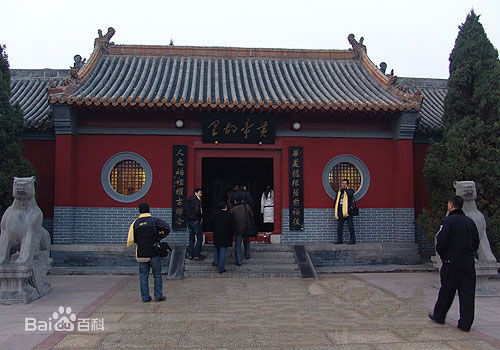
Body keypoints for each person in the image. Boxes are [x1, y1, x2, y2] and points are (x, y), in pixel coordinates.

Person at [429, 195, 480, 332]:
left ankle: (439, 315)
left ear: (451, 204)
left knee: (447, 290)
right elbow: (476, 243)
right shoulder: (470, 222)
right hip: (468, 263)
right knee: (467, 294)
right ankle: (466, 323)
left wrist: (445, 256)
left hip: (451, 262)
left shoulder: (448, 222)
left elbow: (441, 242)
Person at [127, 202, 170, 302]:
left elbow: (131, 240)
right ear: (149, 210)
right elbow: (167, 228)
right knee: (157, 275)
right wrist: (159, 237)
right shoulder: (154, 221)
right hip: (154, 252)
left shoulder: (135, 223)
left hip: (142, 254)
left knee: (143, 276)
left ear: (139, 210)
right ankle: (158, 296)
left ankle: (145, 297)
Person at [210, 201, 235, 273]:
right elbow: (232, 226)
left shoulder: (215, 215)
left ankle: (215, 261)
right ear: (226, 207)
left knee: (216, 248)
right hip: (226, 235)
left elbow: (211, 224)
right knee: (223, 250)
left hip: (217, 234)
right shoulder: (229, 215)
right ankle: (221, 268)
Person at [230, 195, 254, 265]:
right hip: (246, 227)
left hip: (237, 228)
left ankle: (239, 261)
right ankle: (247, 254)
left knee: (238, 244)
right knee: (247, 241)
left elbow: (231, 219)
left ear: (235, 201)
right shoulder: (247, 207)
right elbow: (252, 216)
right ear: (242, 201)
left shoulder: (233, 209)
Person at [185, 188, 205, 260]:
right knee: (199, 237)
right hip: (195, 221)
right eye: (200, 193)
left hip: (189, 221)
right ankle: (197, 254)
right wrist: (200, 216)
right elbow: (197, 211)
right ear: (196, 193)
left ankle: (191, 254)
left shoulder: (188, 200)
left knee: (191, 238)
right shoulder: (196, 200)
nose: (201, 195)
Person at [334, 179, 356, 244]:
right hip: (341, 211)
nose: (343, 185)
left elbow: (350, 195)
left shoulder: (350, 191)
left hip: (348, 211)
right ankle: (339, 240)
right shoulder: (339, 192)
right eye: (342, 183)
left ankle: (352, 240)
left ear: (347, 185)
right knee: (339, 227)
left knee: (350, 226)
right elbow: (336, 201)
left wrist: (345, 189)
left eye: (344, 184)